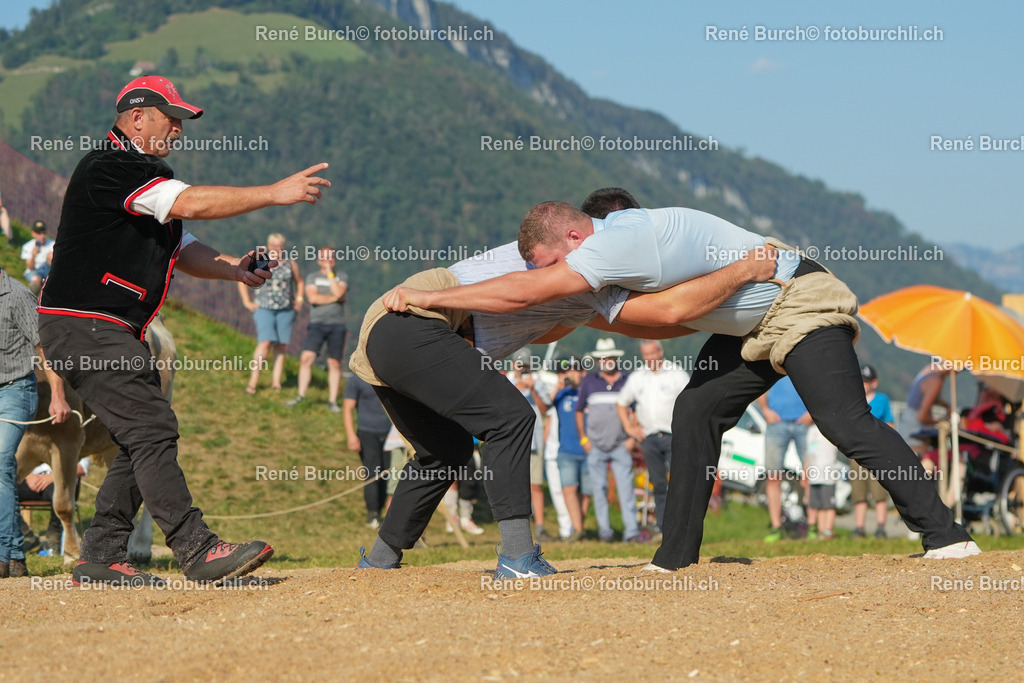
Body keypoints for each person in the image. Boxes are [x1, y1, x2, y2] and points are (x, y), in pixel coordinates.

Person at [385, 199, 981, 568]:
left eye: (551, 263)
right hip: (749, 325)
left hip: (797, 298)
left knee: (844, 420)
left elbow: (542, 294)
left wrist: (430, 296)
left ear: (572, 238)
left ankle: (947, 536)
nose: (556, 276)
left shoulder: (614, 242)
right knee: (696, 413)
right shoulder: (608, 249)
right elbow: (567, 316)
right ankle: (675, 559)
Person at [37, 75, 330, 586]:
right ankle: (196, 548)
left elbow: (183, 243)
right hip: (87, 325)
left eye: (181, 120)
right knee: (152, 428)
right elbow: (189, 203)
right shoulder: (111, 165)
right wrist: (274, 194)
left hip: (97, 328)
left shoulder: (140, 177)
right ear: (136, 118)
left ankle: (101, 554)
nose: (178, 128)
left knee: (140, 435)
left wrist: (235, 269)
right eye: (170, 117)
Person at [354, 233, 775, 576]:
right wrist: (742, 272)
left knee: (445, 450)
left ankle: (380, 557)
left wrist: (729, 312)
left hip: (385, 337)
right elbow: (667, 311)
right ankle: (517, 557)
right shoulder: (576, 266)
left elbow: (644, 319)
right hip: (409, 319)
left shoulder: (568, 276)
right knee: (512, 418)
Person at [1, 264, 70, 579]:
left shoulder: (16, 295)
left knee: (1, 462)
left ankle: (12, 554)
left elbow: (45, 348)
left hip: (17, 390)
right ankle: (13, 551)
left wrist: (58, 394)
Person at [616, 339, 689, 539]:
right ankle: (663, 527)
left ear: (660, 351)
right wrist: (629, 427)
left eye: (652, 354)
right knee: (658, 484)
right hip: (648, 438)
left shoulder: (677, 374)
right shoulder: (638, 377)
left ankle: (681, 528)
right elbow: (621, 403)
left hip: (674, 436)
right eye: (645, 355)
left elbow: (690, 403)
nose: (650, 358)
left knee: (678, 482)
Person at [577, 338, 639, 542]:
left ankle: (631, 533)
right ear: (598, 360)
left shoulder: (628, 380)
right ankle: (605, 532)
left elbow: (636, 409)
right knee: (599, 490)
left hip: (622, 444)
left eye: (610, 357)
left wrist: (632, 437)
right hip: (595, 446)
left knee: (626, 489)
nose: (607, 360)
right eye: (603, 357)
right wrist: (584, 439)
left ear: (616, 357)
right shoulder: (589, 381)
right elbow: (578, 411)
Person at [239, 233, 303, 394]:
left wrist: (300, 298)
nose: (278, 249)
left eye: (281, 246)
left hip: (286, 309)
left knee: (281, 345)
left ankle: (276, 383)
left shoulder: (290, 263)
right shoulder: (260, 261)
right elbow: (242, 278)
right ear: (268, 246)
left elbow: (299, 281)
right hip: (264, 307)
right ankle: (253, 382)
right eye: (274, 246)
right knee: (265, 342)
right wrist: (247, 301)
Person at [287, 247, 348, 413]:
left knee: (334, 363)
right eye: (324, 258)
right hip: (317, 323)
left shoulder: (341, 276)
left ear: (334, 260)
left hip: (337, 324)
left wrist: (330, 274)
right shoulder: (312, 277)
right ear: (318, 260)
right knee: (307, 357)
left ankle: (332, 401)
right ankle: (301, 395)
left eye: (330, 258)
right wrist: (335, 298)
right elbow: (313, 298)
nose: (327, 261)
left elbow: (339, 291)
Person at [756, 375, 811, 542]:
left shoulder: (808, 353)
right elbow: (760, 382)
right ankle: (776, 526)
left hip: (806, 422)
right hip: (776, 423)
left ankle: (813, 525)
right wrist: (765, 409)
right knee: (773, 476)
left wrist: (812, 413)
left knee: (812, 474)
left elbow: (821, 382)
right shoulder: (771, 352)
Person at [343, 374, 393, 529]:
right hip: (367, 432)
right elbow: (348, 408)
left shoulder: (388, 376)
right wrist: (351, 435)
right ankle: (373, 513)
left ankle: (383, 513)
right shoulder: (356, 379)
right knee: (373, 473)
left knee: (388, 473)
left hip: (390, 432)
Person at [851, 364, 893, 538]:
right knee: (858, 492)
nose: (863, 384)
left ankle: (880, 527)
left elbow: (890, 423)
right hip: (856, 450)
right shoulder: (853, 398)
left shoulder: (882, 400)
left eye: (866, 381)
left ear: (874, 383)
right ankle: (859, 527)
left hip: (877, 450)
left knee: (879, 491)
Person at [552, 355, 590, 541]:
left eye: (574, 369)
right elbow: (544, 407)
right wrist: (558, 386)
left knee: (587, 492)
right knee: (569, 488)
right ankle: (578, 530)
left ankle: (579, 526)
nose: (570, 374)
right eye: (567, 370)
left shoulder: (589, 392)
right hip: (566, 450)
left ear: (583, 372)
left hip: (589, 450)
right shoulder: (562, 393)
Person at [18, 457, 90, 552]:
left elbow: (81, 468)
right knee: (5, 492)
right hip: (32, 479)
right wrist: (27, 476)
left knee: (60, 492)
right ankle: (27, 536)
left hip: (60, 481)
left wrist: (54, 476)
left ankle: (53, 539)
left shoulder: (76, 442)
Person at [898, 365, 952, 465]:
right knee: (924, 462)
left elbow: (928, 396)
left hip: (906, 424)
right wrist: (941, 422)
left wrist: (945, 405)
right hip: (915, 430)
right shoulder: (936, 381)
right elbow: (922, 417)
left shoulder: (927, 371)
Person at [804, 424, 838, 540]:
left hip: (828, 474)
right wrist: (805, 471)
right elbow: (808, 453)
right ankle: (821, 530)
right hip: (814, 475)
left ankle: (827, 530)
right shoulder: (811, 430)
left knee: (828, 505)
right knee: (817, 505)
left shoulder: (831, 428)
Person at [21, 220, 54, 293]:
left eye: (44, 233)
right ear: (33, 234)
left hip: (48, 269)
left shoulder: (52, 244)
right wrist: (33, 256)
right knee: (35, 279)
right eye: (39, 233)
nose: (42, 236)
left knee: (51, 255)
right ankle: (37, 287)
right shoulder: (28, 246)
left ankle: (49, 281)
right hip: (34, 271)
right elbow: (30, 267)